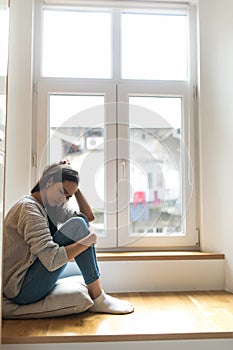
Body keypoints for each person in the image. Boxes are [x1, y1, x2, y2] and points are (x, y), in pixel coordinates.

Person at [3, 161, 134, 314]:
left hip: (31, 278)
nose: (63, 199)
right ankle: (98, 296)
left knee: (79, 223)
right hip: (22, 290)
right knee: (77, 225)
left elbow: (87, 217)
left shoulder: (47, 207)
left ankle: (98, 295)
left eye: (68, 196)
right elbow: (52, 261)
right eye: (61, 191)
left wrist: (74, 189)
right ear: (48, 181)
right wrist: (87, 241)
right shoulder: (28, 209)